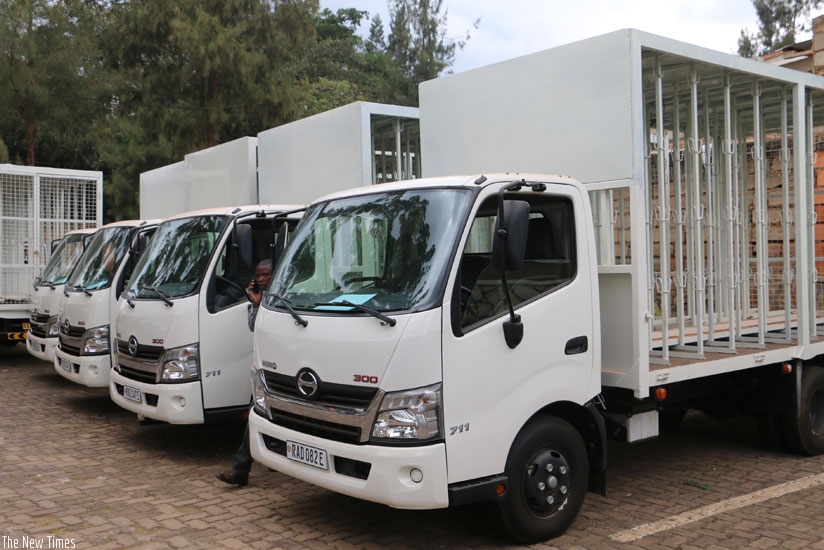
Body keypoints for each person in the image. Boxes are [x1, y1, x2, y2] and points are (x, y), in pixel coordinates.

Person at [216, 259, 273, 487]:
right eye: (258, 275)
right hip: (263, 369)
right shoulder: (259, 301)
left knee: (256, 416)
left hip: (278, 369)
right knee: (255, 415)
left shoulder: (285, 297)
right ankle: (242, 469)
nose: (260, 279)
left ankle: (242, 469)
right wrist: (257, 304)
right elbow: (253, 327)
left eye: (265, 275)